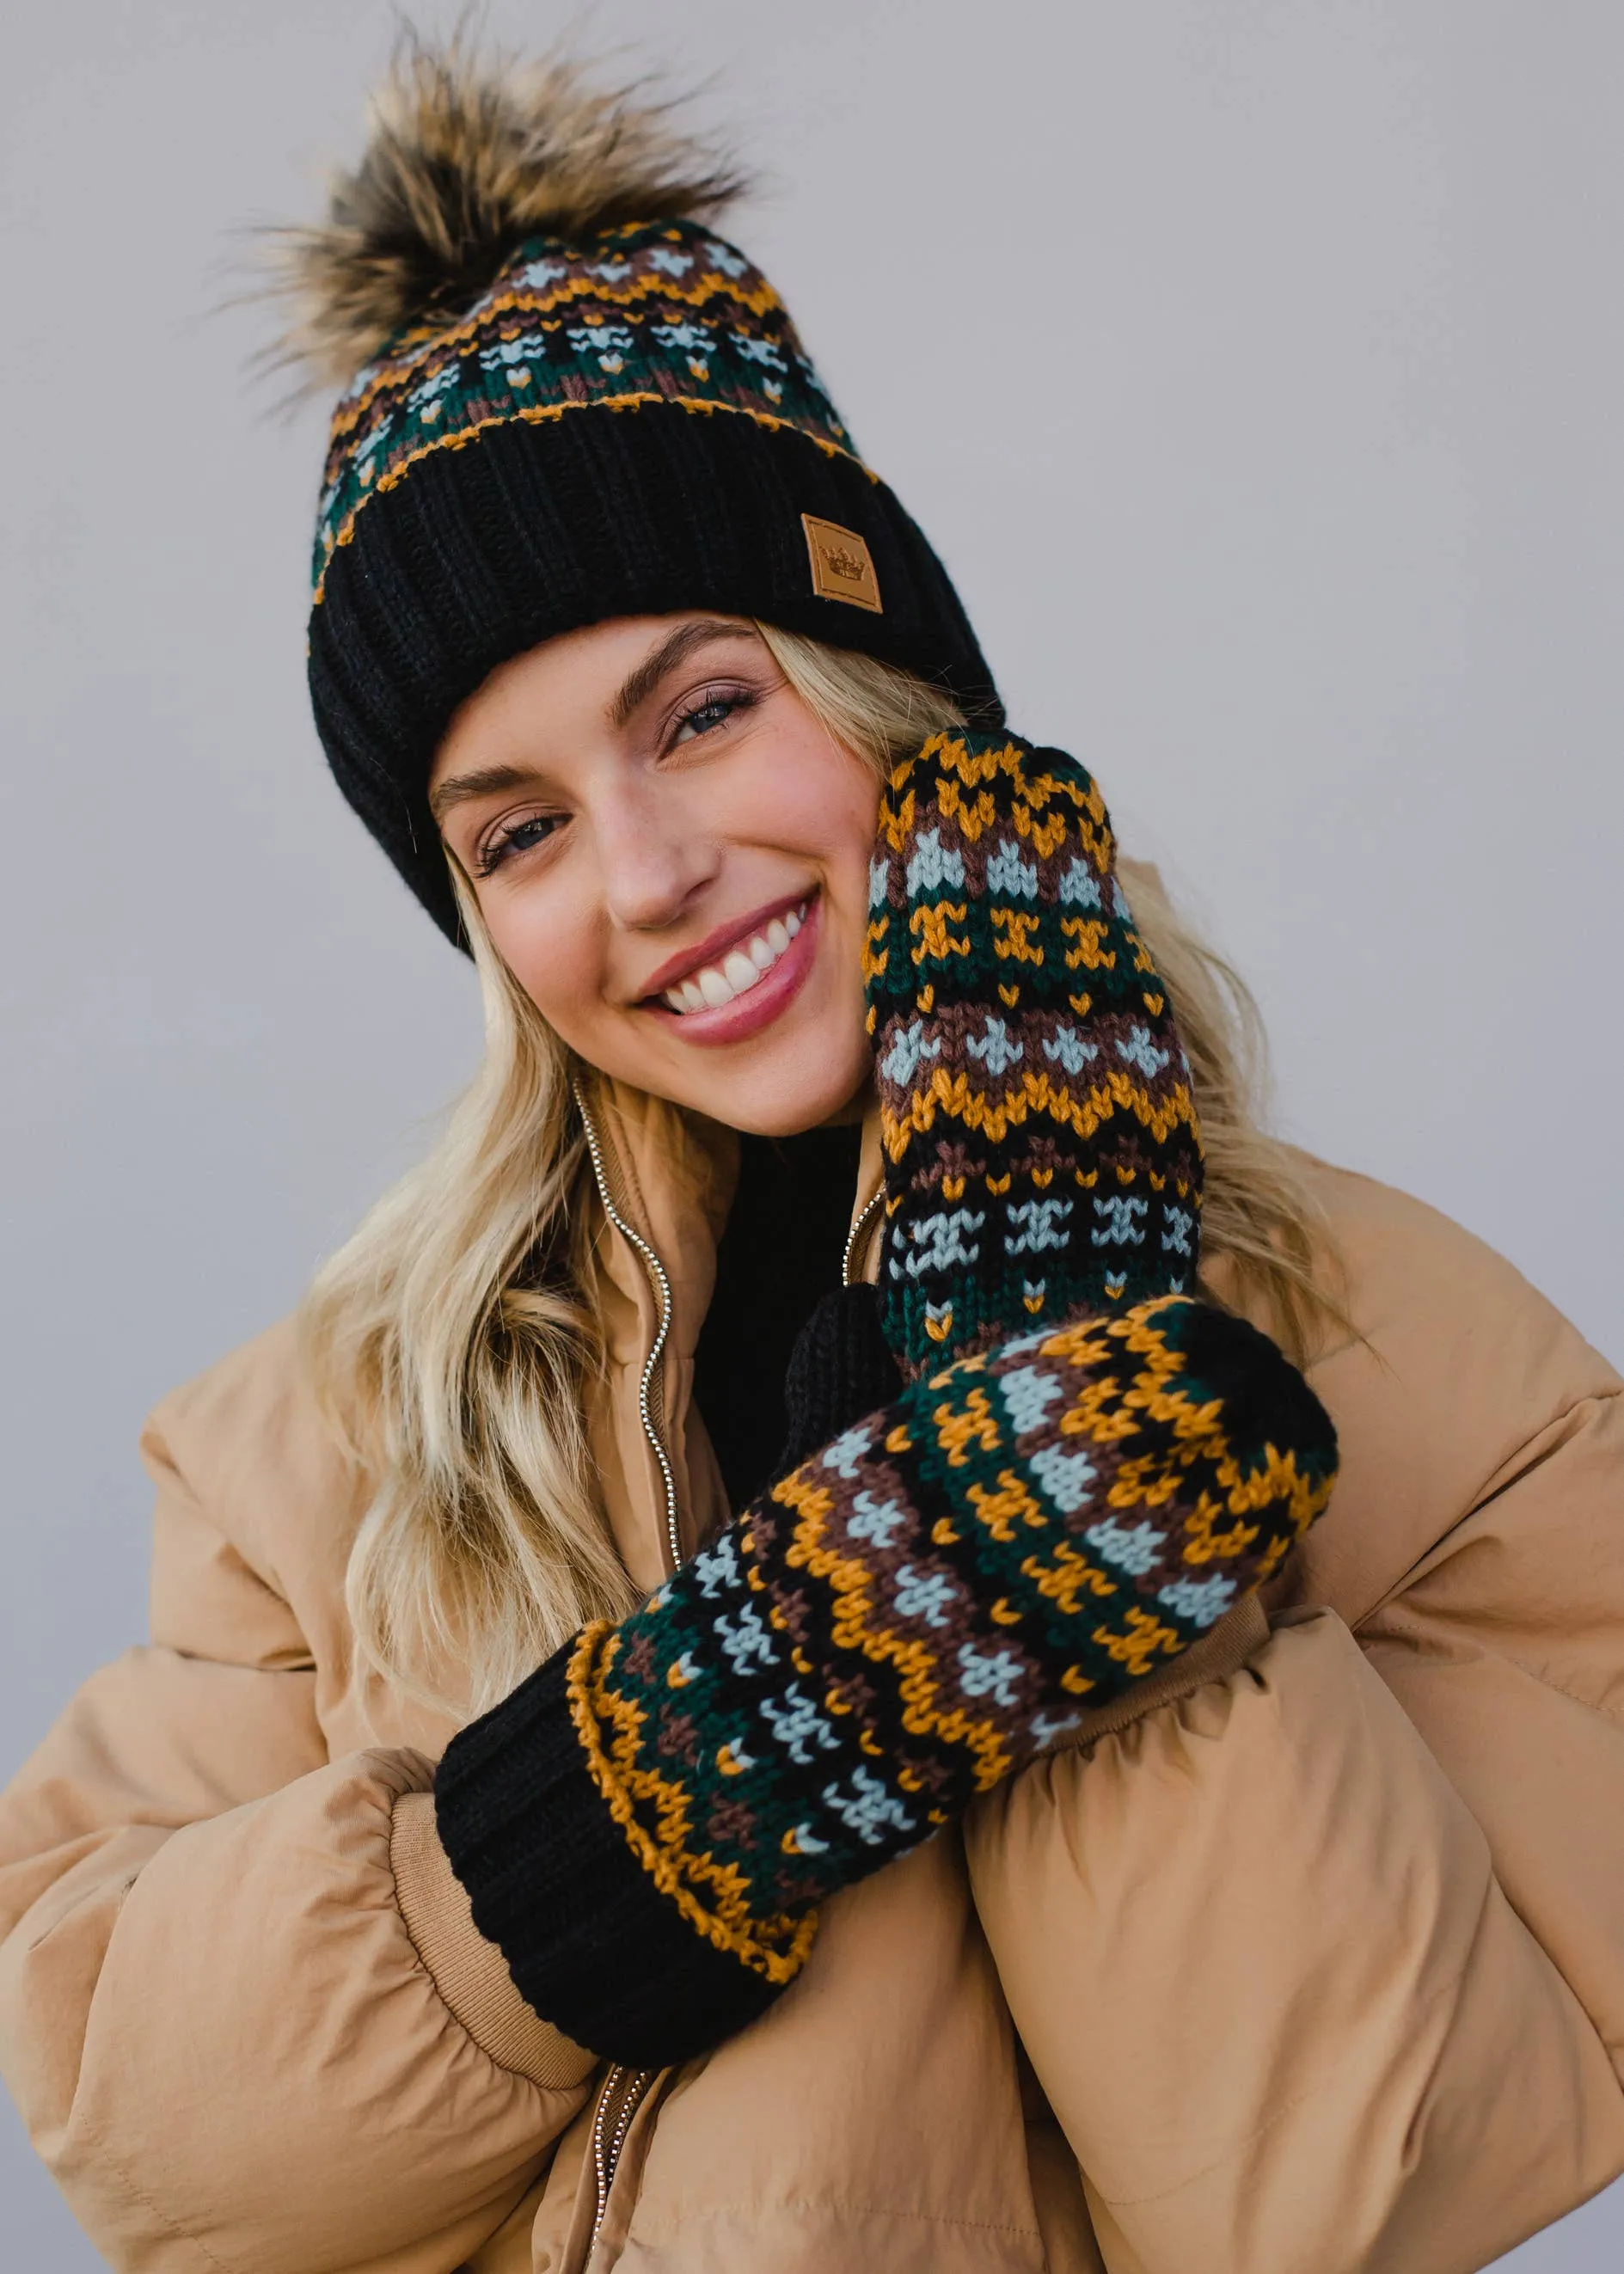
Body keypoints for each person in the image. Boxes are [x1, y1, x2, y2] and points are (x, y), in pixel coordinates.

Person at [2, 38, 1621, 2274]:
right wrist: (671, 1783)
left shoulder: (1417, 1355)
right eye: (523, 828)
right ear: (476, 923)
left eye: (701, 707)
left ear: (882, 684)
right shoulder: (333, 1429)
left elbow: (1365, 2181)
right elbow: (148, 2132)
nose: (650, 867)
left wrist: (1051, 1401)